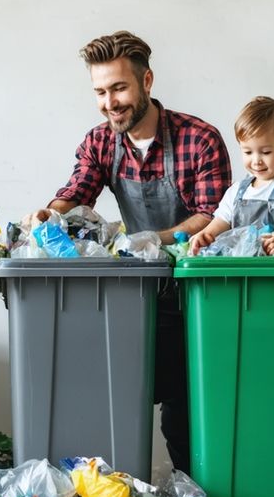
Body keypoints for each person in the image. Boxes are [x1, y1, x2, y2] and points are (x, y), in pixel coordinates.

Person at [32, 30, 232, 474]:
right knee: (125, 395)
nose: (110, 102)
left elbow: (213, 216)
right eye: (100, 92)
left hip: (195, 292)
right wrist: (49, 213)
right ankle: (126, 488)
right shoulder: (101, 142)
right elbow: (77, 190)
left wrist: (154, 240)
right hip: (139, 294)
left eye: (119, 88)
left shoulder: (199, 139)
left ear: (147, 81)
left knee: (186, 409)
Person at [189, 96, 274, 255]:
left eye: (266, 152)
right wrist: (205, 235)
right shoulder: (236, 192)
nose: (256, 161)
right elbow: (221, 222)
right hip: (239, 273)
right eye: (248, 152)